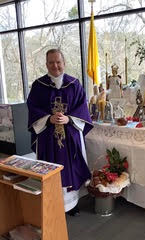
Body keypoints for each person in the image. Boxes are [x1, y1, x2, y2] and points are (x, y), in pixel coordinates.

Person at [27, 49, 93, 216]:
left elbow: (82, 109)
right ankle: (52, 202)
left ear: (64, 63)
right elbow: (33, 108)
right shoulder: (38, 86)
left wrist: (69, 119)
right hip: (47, 138)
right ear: (46, 64)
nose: (55, 65)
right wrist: (48, 119)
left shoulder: (75, 84)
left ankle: (72, 205)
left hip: (69, 136)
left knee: (70, 168)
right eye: (51, 62)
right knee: (50, 169)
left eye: (58, 62)